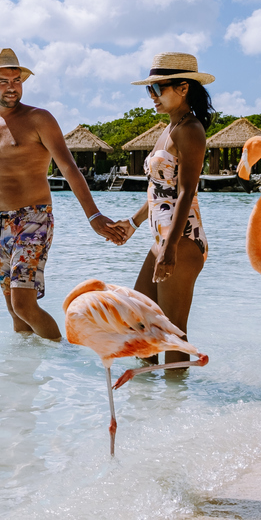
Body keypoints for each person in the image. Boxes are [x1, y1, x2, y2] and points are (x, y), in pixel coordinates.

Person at [0, 48, 127, 339]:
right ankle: (23, 377)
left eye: (17, 80)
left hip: (34, 218)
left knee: (24, 306)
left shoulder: (39, 118)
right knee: (14, 312)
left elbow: (68, 168)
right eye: (3, 81)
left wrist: (93, 215)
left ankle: (66, 359)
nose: (12, 86)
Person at [114, 52, 214, 367]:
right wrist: (132, 222)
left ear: (183, 88)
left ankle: (175, 408)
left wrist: (169, 246)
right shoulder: (169, 128)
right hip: (163, 240)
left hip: (181, 241)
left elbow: (186, 191)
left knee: (173, 335)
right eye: (149, 90)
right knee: (140, 323)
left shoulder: (190, 129)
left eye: (158, 89)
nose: (152, 97)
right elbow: (161, 192)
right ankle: (148, 407)